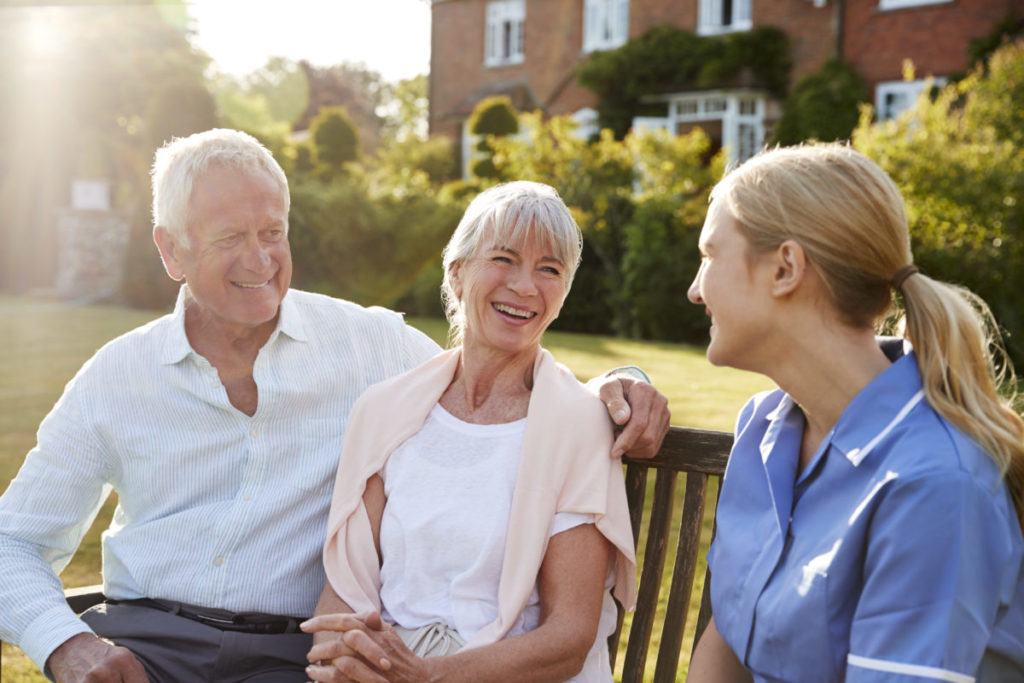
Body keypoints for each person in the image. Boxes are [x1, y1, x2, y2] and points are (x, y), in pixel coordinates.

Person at [0, 129, 669, 682]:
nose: (260, 259)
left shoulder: (369, 347)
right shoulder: (116, 376)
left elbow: (501, 370)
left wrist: (623, 377)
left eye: (273, 232)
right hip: (143, 649)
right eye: (229, 237)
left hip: (285, 659)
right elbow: (14, 540)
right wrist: (68, 643)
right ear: (170, 249)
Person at [684, 144, 1024, 682]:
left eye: (709, 256)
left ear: (785, 269)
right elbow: (729, 639)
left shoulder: (934, 484)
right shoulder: (762, 429)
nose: (695, 290)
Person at [300, 181, 636, 683]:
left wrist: (430, 676)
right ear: (457, 274)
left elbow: (568, 637)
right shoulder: (386, 411)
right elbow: (342, 597)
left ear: (562, 295)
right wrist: (347, 661)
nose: (525, 286)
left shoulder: (580, 424)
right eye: (504, 259)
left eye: (550, 269)